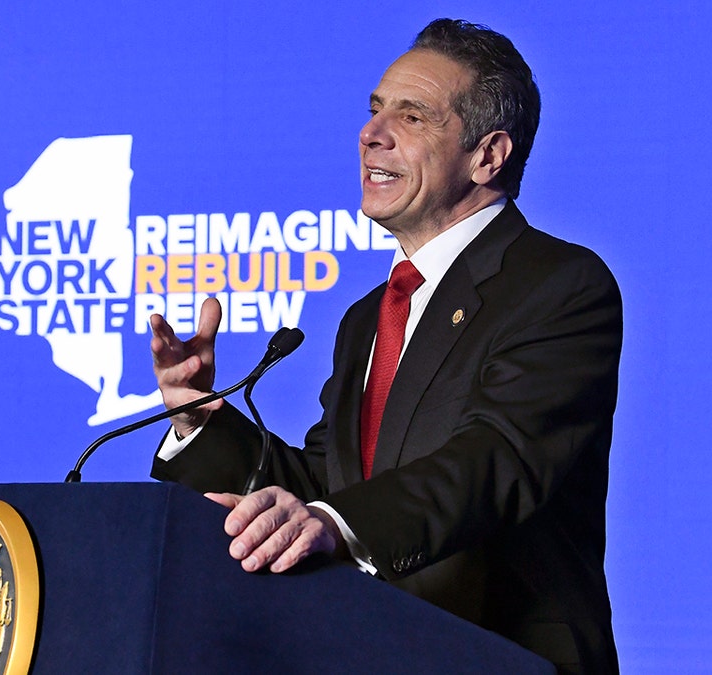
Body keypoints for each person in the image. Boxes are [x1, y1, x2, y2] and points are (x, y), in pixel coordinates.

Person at [149, 18, 621, 674]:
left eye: (413, 115)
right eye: (374, 109)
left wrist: (335, 523)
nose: (373, 133)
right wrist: (199, 417)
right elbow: (323, 487)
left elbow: (496, 458)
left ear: (488, 155)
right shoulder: (366, 317)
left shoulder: (560, 284)